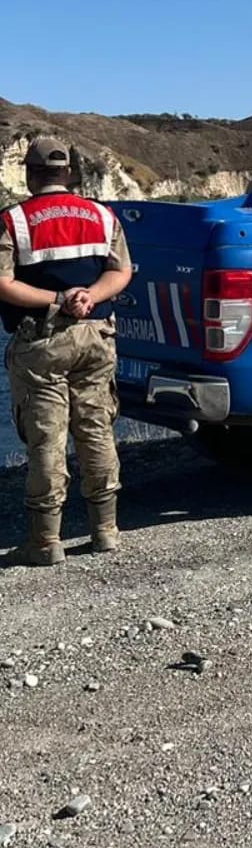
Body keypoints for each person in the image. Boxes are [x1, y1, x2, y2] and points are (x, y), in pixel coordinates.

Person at [0, 137, 133, 565]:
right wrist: (88, 296)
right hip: (96, 334)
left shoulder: (13, 221)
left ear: (29, 174)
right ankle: (105, 530)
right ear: (69, 173)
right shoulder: (103, 216)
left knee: (46, 437)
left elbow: (3, 283)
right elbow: (121, 271)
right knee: (96, 429)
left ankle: (46, 541)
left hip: (43, 340)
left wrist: (57, 300)